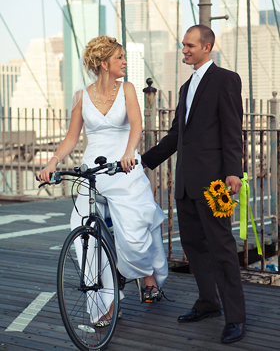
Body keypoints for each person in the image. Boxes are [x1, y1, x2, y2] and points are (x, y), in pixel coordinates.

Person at [38, 35, 168, 326]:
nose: (125, 62)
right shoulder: (81, 95)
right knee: (84, 236)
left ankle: (146, 275)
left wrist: (128, 153)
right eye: (120, 57)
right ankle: (104, 306)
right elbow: (72, 137)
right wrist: (52, 162)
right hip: (92, 171)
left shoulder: (128, 90)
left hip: (123, 166)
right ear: (104, 63)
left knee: (134, 233)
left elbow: (137, 125)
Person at [142, 25, 246, 344]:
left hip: (215, 183)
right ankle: (208, 303)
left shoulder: (226, 79)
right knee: (194, 247)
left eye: (189, 45)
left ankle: (236, 317)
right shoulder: (187, 88)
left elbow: (232, 130)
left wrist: (233, 172)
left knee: (223, 249)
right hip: (186, 185)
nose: (184, 49)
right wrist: (145, 160)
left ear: (207, 47)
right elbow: (177, 136)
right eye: (183, 45)